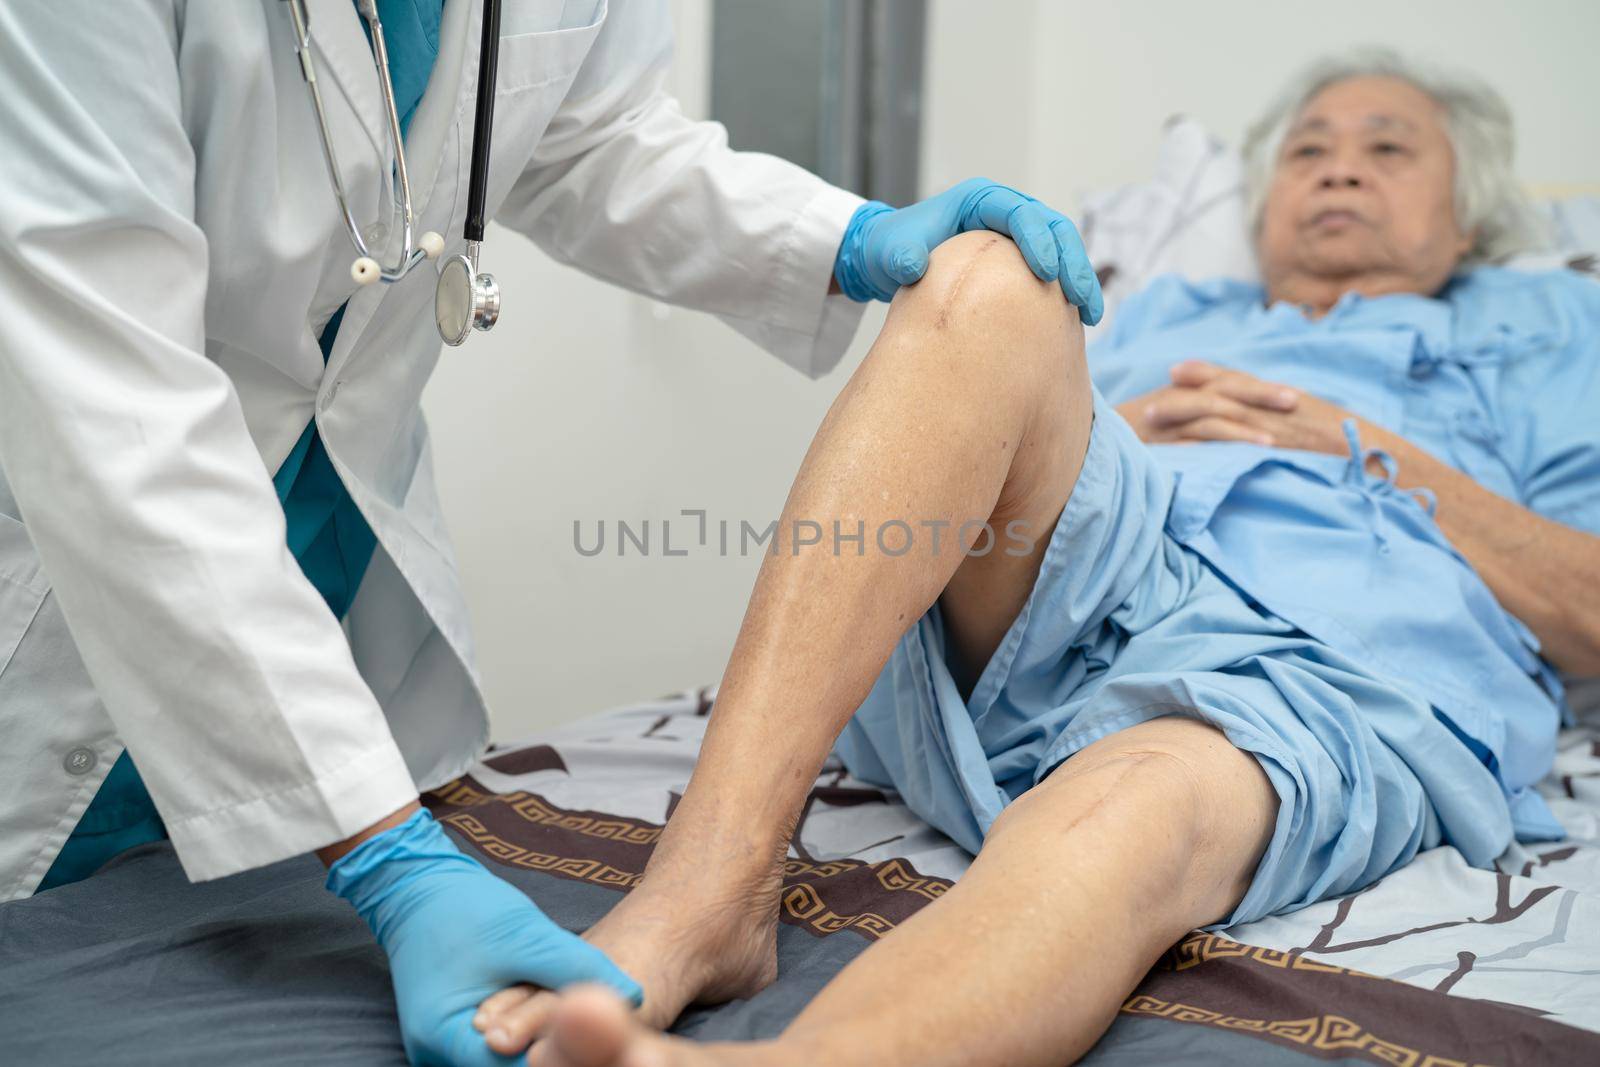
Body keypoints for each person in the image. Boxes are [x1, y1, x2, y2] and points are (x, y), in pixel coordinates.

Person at [0, 2, 1102, 1064]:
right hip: (72, 567)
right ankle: (703, 894)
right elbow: (115, 415)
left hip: (324, 564)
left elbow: (593, 139)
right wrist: (388, 856)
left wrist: (845, 236)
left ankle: (699, 896)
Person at [474, 49, 1600, 1067]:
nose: (1338, 172)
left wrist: (1357, 446)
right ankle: (705, 889)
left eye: (1387, 150)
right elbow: (980, 439)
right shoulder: (1165, 307)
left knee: (1144, 795)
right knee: (990, 276)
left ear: (1469, 215)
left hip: (1324, 648)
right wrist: (1122, 426)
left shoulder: (1544, 325)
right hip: (1087, 562)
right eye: (1309, 150)